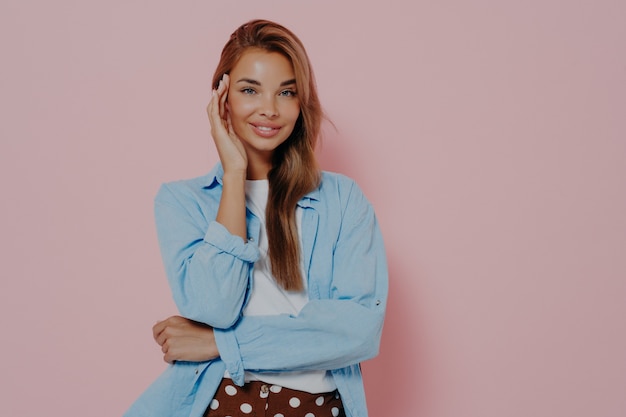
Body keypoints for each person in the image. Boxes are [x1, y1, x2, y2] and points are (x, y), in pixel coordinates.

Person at [124, 19, 387, 417]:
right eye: (250, 90)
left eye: (286, 92)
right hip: (221, 403)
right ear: (222, 96)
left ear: (302, 103)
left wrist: (220, 344)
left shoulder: (342, 199)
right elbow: (215, 308)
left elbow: (357, 331)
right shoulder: (183, 202)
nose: (269, 108)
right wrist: (233, 173)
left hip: (315, 407)